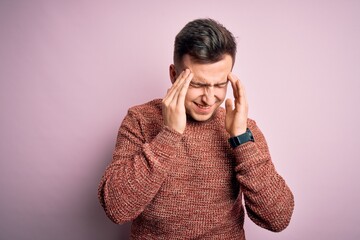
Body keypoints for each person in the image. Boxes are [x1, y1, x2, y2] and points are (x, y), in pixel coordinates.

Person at [98, 18, 294, 239]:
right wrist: (169, 135)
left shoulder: (242, 128)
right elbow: (116, 208)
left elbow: (277, 218)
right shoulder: (140, 120)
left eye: (219, 84)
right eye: (197, 84)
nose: (209, 98)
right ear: (174, 75)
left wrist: (240, 139)